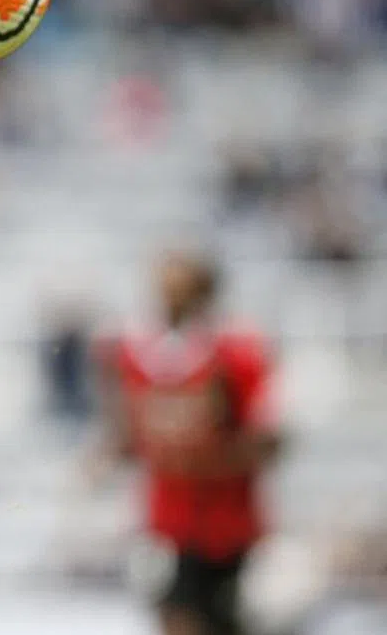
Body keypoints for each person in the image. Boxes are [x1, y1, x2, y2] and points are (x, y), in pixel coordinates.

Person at [92, 250, 283, 635]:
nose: (170, 300)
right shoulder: (133, 352)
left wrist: (210, 455)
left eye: (181, 290)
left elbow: (270, 439)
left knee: (218, 619)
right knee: (177, 615)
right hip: (169, 519)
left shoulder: (236, 352)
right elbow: (128, 431)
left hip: (227, 520)